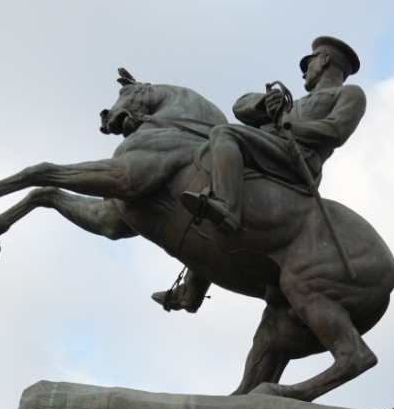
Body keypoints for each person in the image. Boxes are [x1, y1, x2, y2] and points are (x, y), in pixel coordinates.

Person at [155, 37, 366, 311]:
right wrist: (266, 103)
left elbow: (337, 131)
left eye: (309, 62)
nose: (304, 70)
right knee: (217, 169)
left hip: (298, 160)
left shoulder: (349, 94)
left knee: (224, 133)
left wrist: (286, 123)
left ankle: (227, 209)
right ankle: (192, 289)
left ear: (324, 60)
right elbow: (239, 107)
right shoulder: (294, 102)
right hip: (270, 152)